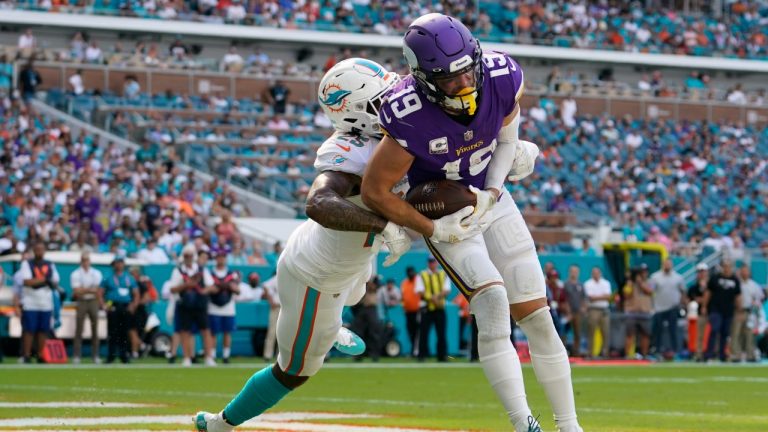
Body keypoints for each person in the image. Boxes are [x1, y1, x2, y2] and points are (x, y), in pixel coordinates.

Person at [360, 14, 581, 432]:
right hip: (446, 215)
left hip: (491, 198)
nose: (464, 85)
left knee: (537, 315)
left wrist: (493, 193)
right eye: (449, 80)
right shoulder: (409, 113)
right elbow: (375, 191)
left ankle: (569, 425)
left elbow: (508, 139)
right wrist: (432, 230)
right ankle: (524, 424)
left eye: (467, 72)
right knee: (494, 305)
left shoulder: (500, 75)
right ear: (423, 79)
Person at [194, 58, 411, 431]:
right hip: (316, 277)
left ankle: (332, 325)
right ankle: (221, 423)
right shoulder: (350, 150)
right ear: (358, 114)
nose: (394, 102)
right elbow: (318, 203)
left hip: (350, 262)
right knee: (295, 370)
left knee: (357, 290)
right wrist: (384, 226)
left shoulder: (395, 135)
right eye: (382, 100)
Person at [170, 245, 216, 367]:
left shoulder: (201, 270)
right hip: (185, 305)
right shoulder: (178, 271)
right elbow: (173, 288)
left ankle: (208, 357)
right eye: (186, 256)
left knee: (205, 331)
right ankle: (187, 357)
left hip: (200, 304)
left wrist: (203, 291)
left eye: (190, 256)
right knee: (185, 331)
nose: (188, 258)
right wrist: (187, 285)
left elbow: (211, 286)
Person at [15, 242, 60, 363]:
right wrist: (45, 280)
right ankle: (26, 355)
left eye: (41, 249)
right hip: (31, 301)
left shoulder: (50, 264)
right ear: (34, 250)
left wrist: (39, 281)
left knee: (43, 330)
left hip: (45, 302)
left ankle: (41, 355)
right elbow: (27, 282)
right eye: (37, 249)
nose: (39, 252)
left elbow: (55, 282)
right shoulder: (27, 263)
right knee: (29, 330)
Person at [101, 257, 139, 364]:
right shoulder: (107, 278)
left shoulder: (129, 278)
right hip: (113, 305)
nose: (118, 265)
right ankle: (111, 356)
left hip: (125, 306)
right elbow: (100, 292)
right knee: (112, 332)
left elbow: (136, 293)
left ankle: (124, 355)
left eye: (120, 263)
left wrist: (133, 305)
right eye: (116, 263)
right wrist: (104, 305)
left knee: (124, 332)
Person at [703, 261, 741, 362]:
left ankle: (722, 355)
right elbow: (708, 293)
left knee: (725, 333)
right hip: (716, 309)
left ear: (731, 267)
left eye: (728, 266)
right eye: (725, 266)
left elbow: (737, 296)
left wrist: (739, 309)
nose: (727, 268)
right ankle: (709, 354)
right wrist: (704, 306)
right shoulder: (715, 278)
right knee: (714, 330)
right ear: (722, 267)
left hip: (728, 310)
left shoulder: (735, 280)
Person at [70, 252, 103, 364]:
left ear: (89, 261)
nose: (85, 262)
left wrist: (84, 290)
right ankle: (76, 355)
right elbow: (76, 291)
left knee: (95, 329)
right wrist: (90, 290)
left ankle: (95, 355)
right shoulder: (76, 273)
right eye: (83, 260)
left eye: (87, 260)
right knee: (79, 328)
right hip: (82, 301)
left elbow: (98, 290)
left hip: (93, 300)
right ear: (81, 261)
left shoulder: (96, 273)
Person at [416, 257, 451, 362]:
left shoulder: (443, 274)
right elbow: (419, 291)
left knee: (441, 333)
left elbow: (447, 290)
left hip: (439, 307)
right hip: (426, 307)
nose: (432, 264)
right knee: (424, 333)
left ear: (437, 263)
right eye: (430, 262)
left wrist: (436, 297)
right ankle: (422, 355)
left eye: (434, 262)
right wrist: (432, 298)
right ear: (428, 263)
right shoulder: (422, 274)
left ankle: (442, 356)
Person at [648, 259, 686, 358]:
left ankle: (675, 351)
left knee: (673, 330)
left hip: (673, 307)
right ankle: (656, 350)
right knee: (658, 330)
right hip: (659, 308)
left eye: (669, 264)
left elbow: (683, 291)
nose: (667, 265)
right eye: (666, 264)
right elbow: (650, 291)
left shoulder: (678, 277)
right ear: (662, 265)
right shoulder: (655, 277)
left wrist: (682, 304)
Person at [209, 251, 240, 364]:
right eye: (218, 257)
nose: (221, 259)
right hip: (213, 306)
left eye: (223, 257)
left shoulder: (232, 274)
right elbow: (209, 289)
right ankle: (212, 355)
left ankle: (226, 356)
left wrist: (230, 287)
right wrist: (218, 287)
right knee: (214, 332)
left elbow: (238, 290)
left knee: (227, 332)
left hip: (228, 307)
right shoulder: (210, 273)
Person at [730, 265, 763, 362]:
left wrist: (755, 305)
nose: (744, 273)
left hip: (749, 312)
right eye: (743, 271)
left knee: (749, 334)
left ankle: (750, 355)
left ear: (749, 273)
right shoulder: (736, 283)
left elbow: (759, 298)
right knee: (736, 333)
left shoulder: (754, 285)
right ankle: (736, 355)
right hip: (737, 311)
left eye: (746, 271)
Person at [352, 276, 384, 362]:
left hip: (371, 308)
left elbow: (375, 287)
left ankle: (375, 354)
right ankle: (358, 354)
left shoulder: (375, 280)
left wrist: (369, 282)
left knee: (374, 332)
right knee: (358, 332)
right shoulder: (362, 279)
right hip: (361, 308)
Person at [623, 267, 653, 359]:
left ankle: (644, 355)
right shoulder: (630, 283)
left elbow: (650, 291)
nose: (643, 274)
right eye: (641, 273)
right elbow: (626, 295)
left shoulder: (650, 282)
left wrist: (640, 283)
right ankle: (627, 355)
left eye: (644, 272)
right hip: (632, 312)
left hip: (645, 312)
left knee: (646, 334)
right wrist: (631, 283)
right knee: (630, 334)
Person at [129, 266, 157, 359]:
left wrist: (135, 304)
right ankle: (136, 350)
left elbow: (147, 298)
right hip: (134, 310)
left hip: (139, 311)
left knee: (133, 331)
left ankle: (138, 349)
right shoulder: (131, 284)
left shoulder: (140, 285)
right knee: (132, 331)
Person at [584, 267, 611, 359]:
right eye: (594, 273)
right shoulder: (588, 283)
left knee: (606, 332)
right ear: (592, 274)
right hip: (593, 309)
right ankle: (590, 353)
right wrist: (602, 296)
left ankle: (605, 353)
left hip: (604, 309)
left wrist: (596, 297)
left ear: (600, 273)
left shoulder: (606, 283)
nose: (596, 274)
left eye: (597, 273)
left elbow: (608, 297)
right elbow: (590, 298)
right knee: (591, 332)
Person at [687, 263, 710, 361]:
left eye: (703, 272)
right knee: (698, 335)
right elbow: (690, 299)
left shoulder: (711, 285)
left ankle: (710, 353)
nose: (702, 274)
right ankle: (699, 354)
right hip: (698, 314)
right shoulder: (693, 287)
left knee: (711, 335)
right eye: (700, 272)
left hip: (711, 313)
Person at [563, 265, 586, 356]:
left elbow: (583, 298)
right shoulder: (565, 284)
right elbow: (563, 298)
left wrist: (583, 307)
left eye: (576, 271)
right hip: (567, 313)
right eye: (572, 271)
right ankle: (564, 352)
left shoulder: (580, 285)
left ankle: (576, 352)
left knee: (577, 333)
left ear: (578, 273)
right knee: (563, 333)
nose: (574, 273)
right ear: (569, 272)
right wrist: (567, 311)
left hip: (577, 313)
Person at [400, 266, 421, 357]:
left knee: (418, 332)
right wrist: (404, 307)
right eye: (409, 272)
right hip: (408, 312)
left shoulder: (418, 281)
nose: (410, 274)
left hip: (418, 311)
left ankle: (417, 351)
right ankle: (413, 350)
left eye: (412, 272)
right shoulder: (404, 283)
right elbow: (403, 297)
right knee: (411, 332)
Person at [260, 273, 279, 362]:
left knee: (284, 333)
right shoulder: (277, 278)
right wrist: (271, 300)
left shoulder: (291, 278)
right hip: (276, 307)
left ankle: (280, 356)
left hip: (287, 308)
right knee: (272, 331)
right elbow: (265, 285)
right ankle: (267, 355)